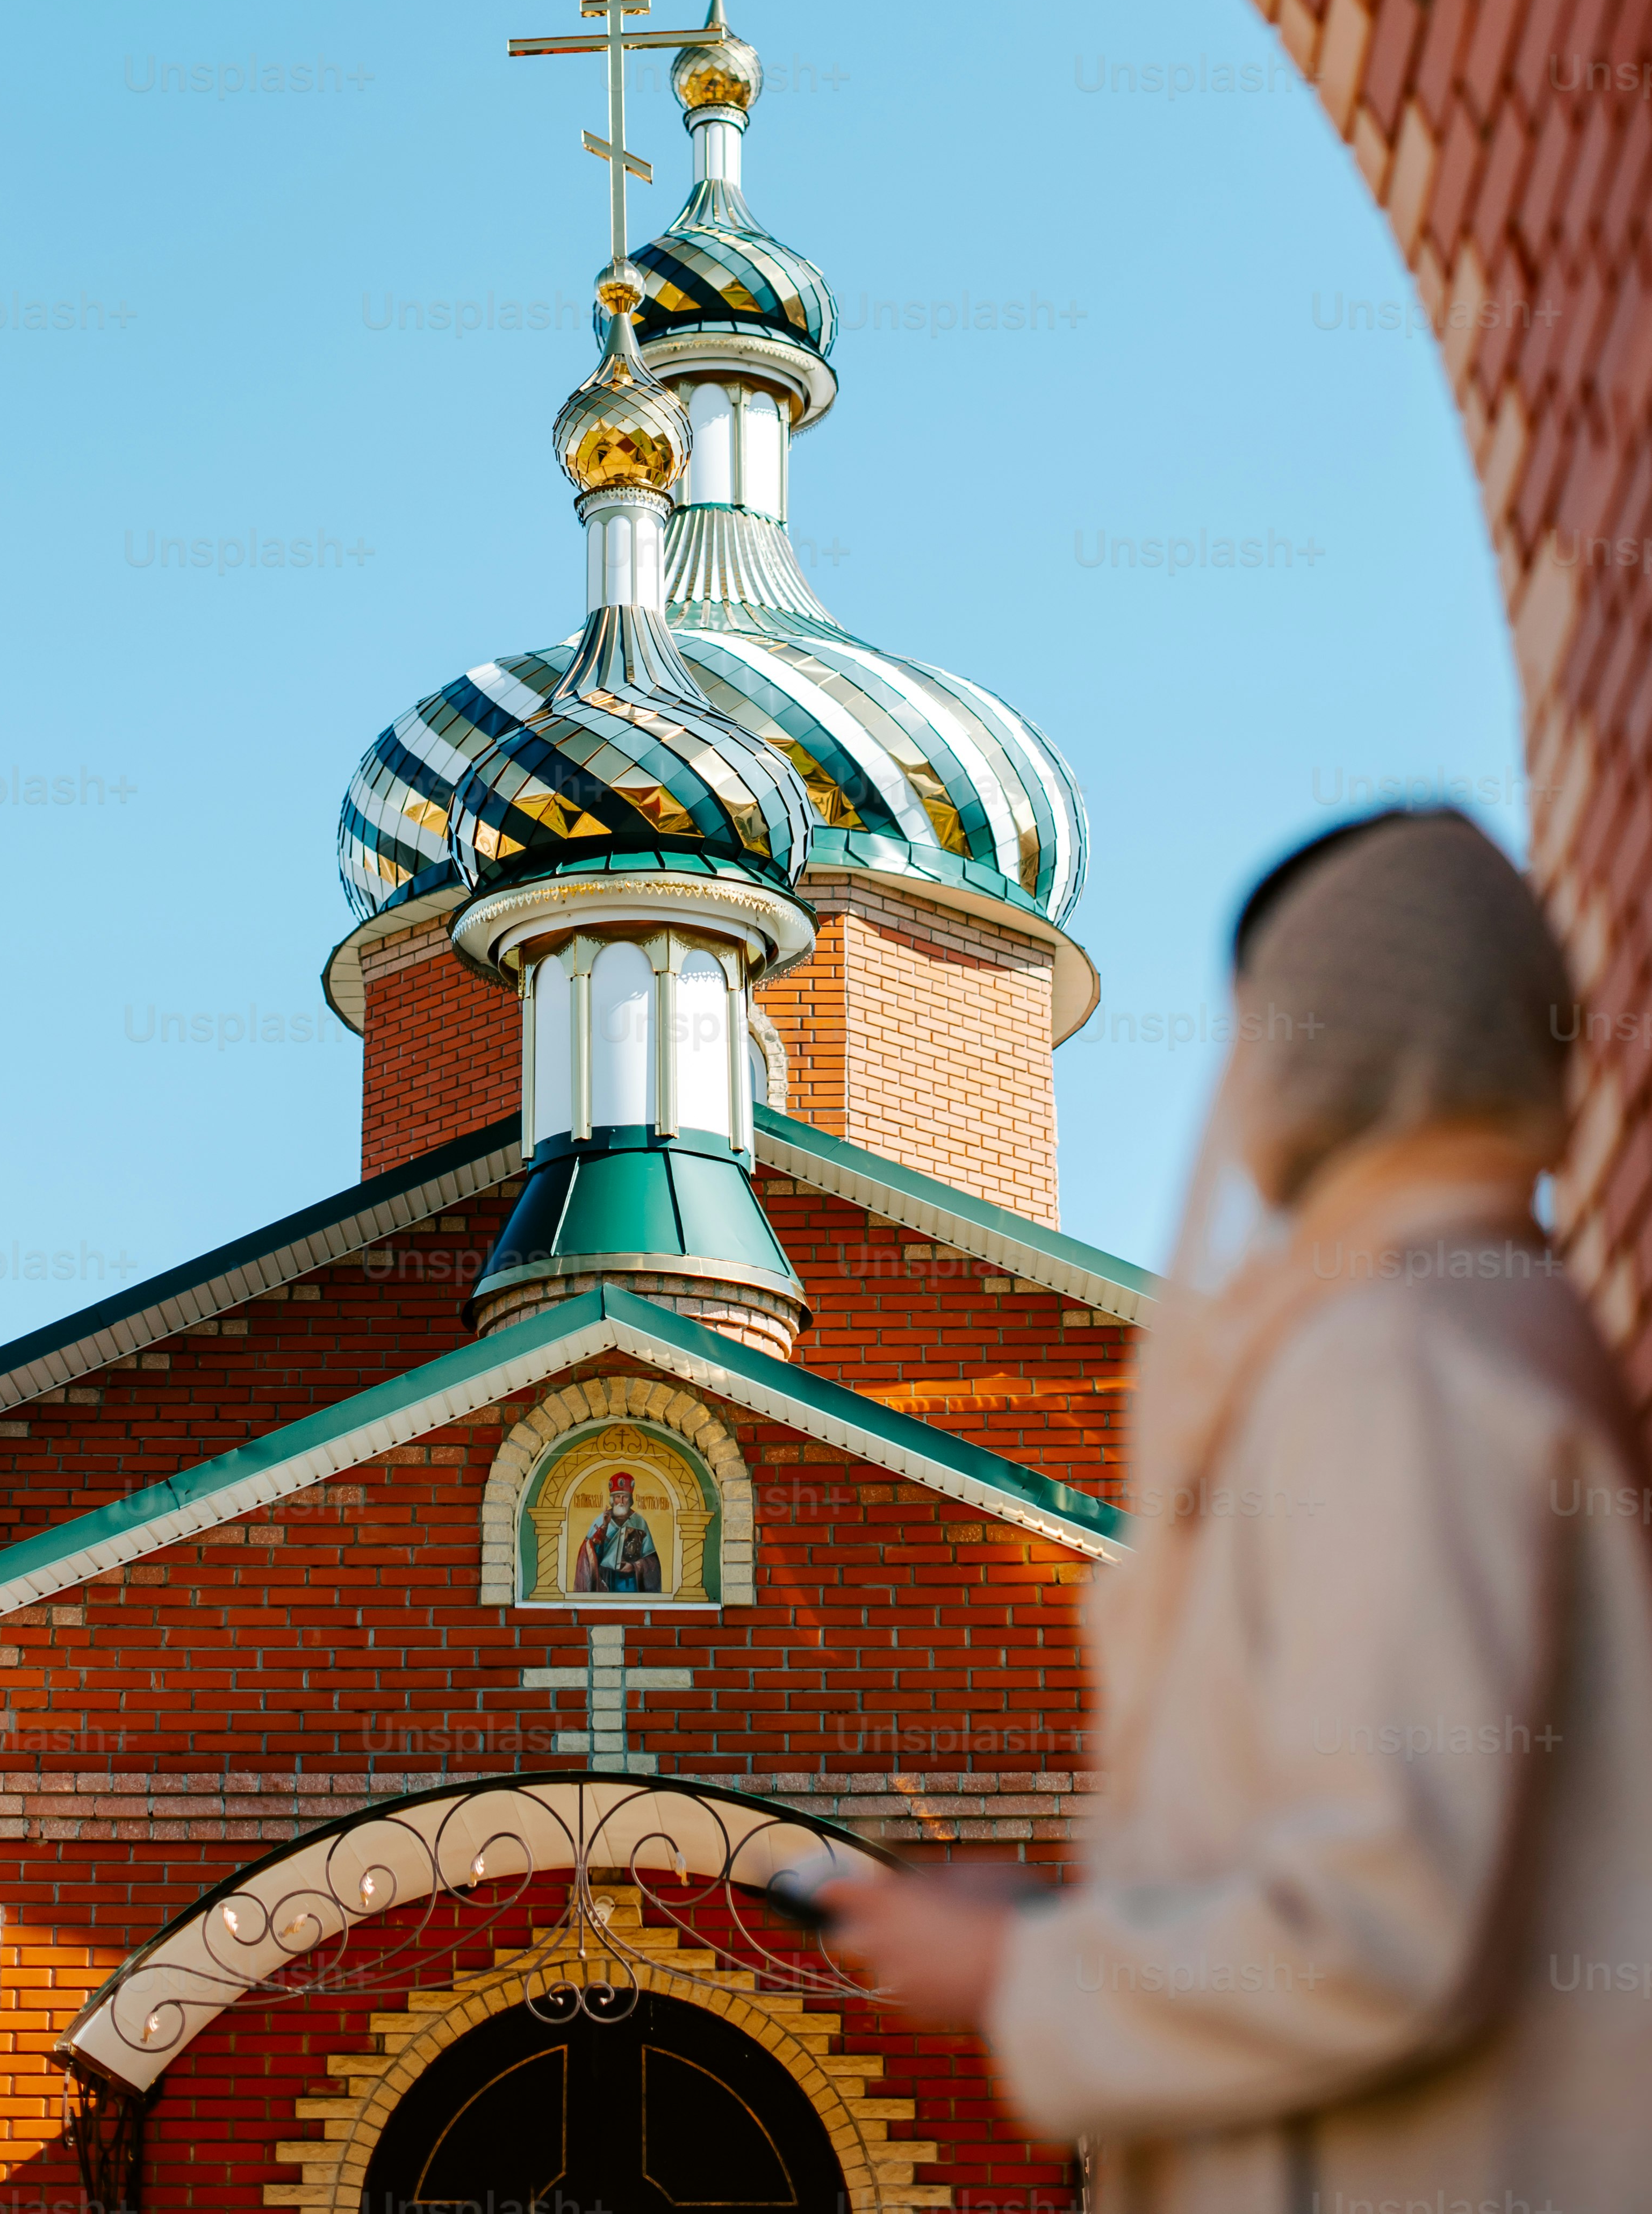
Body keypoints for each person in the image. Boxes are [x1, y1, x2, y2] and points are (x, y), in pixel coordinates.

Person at [822, 809, 1652, 2212]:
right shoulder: (1484, 1315)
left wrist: (1014, 1972)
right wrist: (1069, 1924)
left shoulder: (1394, 1351)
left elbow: (1381, 1917)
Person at [574, 1469, 661, 1592]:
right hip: (604, 1580)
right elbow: (588, 1555)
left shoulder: (639, 1522)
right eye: (617, 1497)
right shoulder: (601, 1520)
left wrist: (634, 1566)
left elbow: (652, 1561)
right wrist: (603, 1528)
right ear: (612, 1500)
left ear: (630, 1499)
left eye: (625, 1497)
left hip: (630, 1582)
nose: (621, 1501)